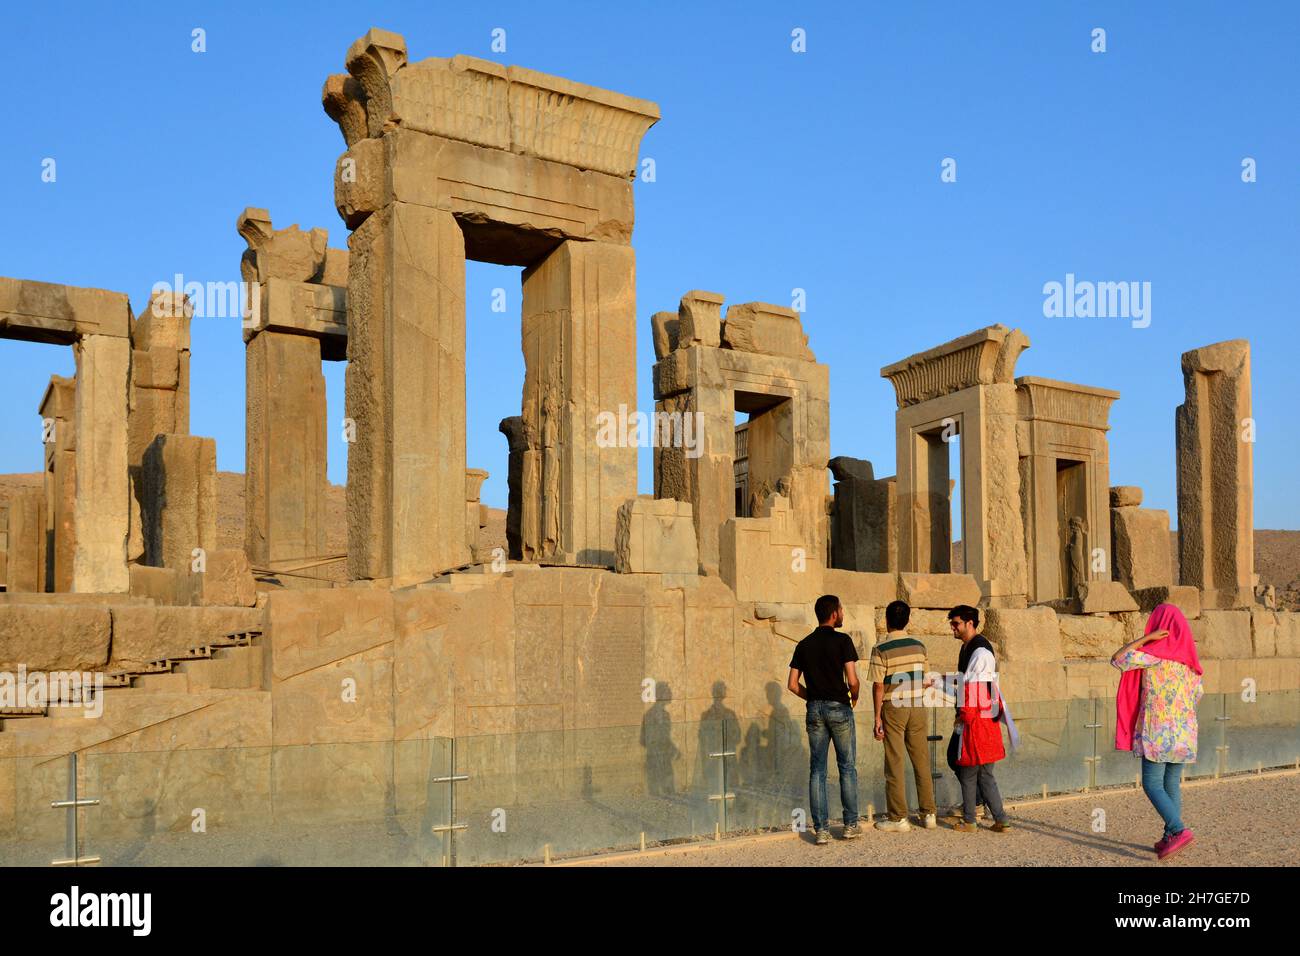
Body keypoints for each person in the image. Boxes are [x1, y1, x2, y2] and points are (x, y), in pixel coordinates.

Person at [1112, 602, 1203, 860]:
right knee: (1171, 783)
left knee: (1152, 784)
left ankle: (1178, 829)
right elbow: (1198, 696)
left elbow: (1117, 659)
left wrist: (1146, 639)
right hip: (1184, 734)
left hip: (1157, 733)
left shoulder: (1152, 657)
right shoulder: (1191, 665)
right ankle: (1169, 837)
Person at [787, 594, 860, 845]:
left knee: (817, 770)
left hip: (814, 709)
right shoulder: (843, 641)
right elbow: (852, 680)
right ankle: (850, 825)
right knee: (847, 767)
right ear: (834, 614)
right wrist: (853, 698)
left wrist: (813, 697)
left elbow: (792, 685)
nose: (842, 613)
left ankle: (821, 830)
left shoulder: (804, 644)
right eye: (840, 609)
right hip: (840, 707)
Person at [868, 600, 938, 831]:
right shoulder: (919, 646)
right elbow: (927, 680)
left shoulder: (880, 648)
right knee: (921, 760)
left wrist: (877, 717)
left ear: (886, 620)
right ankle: (928, 814)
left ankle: (899, 817)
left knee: (895, 762)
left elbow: (878, 685)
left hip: (893, 705)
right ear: (908, 620)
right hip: (918, 705)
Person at [946, 605, 1014, 833]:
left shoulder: (981, 653)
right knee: (985, 774)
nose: (952, 628)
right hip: (985, 720)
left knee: (967, 771)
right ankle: (1001, 819)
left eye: (956, 623)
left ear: (970, 623)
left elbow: (973, 691)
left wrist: (962, 717)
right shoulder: (968, 649)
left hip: (975, 722)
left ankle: (970, 820)